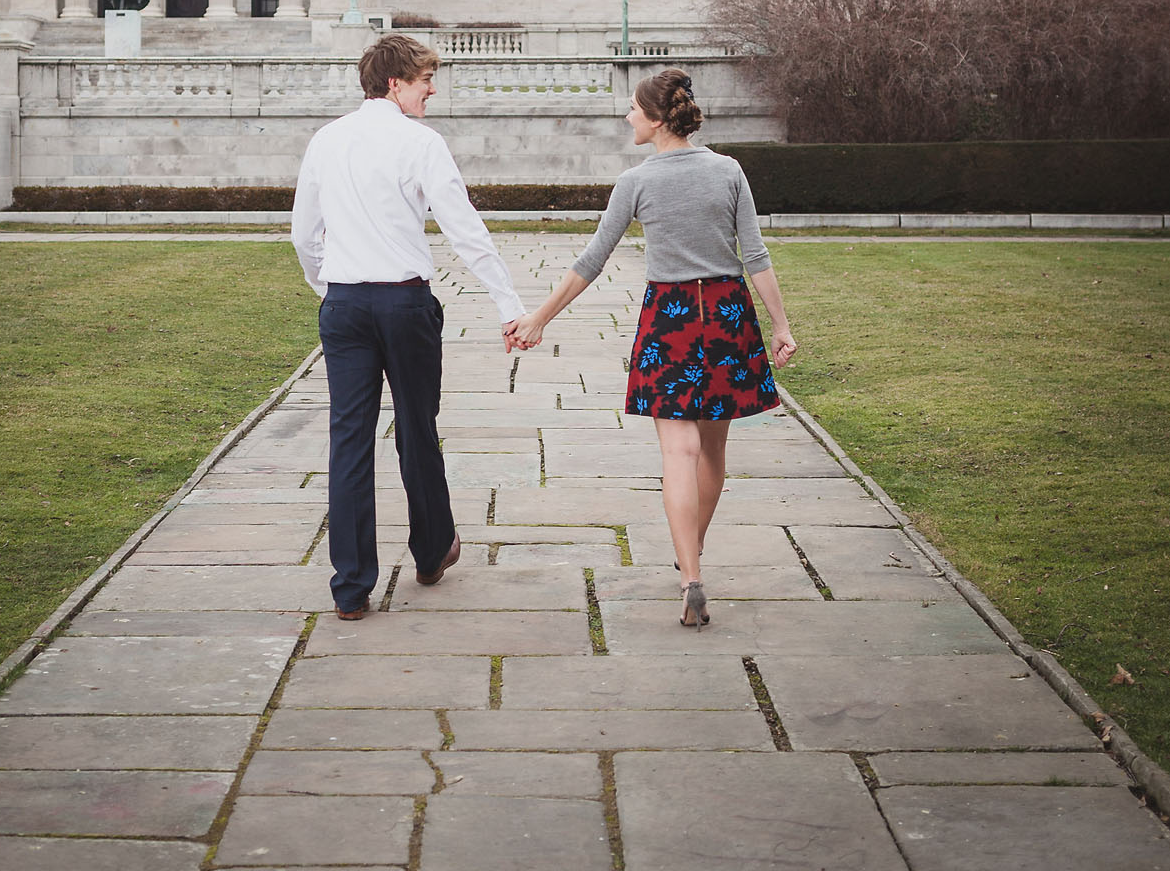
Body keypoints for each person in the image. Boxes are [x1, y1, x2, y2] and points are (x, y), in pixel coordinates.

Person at [512, 65, 796, 631]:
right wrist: (781, 326)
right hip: (727, 315)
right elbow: (755, 255)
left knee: (677, 456)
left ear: (657, 118)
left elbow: (591, 261)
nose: (627, 117)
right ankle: (692, 549)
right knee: (713, 454)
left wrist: (538, 317)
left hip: (669, 322)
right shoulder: (729, 170)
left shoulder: (636, 182)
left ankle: (690, 575)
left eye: (634, 110)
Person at [292, 31, 525, 620]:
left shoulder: (326, 139)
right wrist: (508, 304)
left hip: (344, 305)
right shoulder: (420, 142)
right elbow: (463, 228)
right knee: (417, 427)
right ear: (395, 84)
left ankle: (350, 588)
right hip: (403, 303)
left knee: (349, 439)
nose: (432, 91)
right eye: (425, 81)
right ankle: (429, 552)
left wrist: (329, 286)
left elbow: (303, 233)